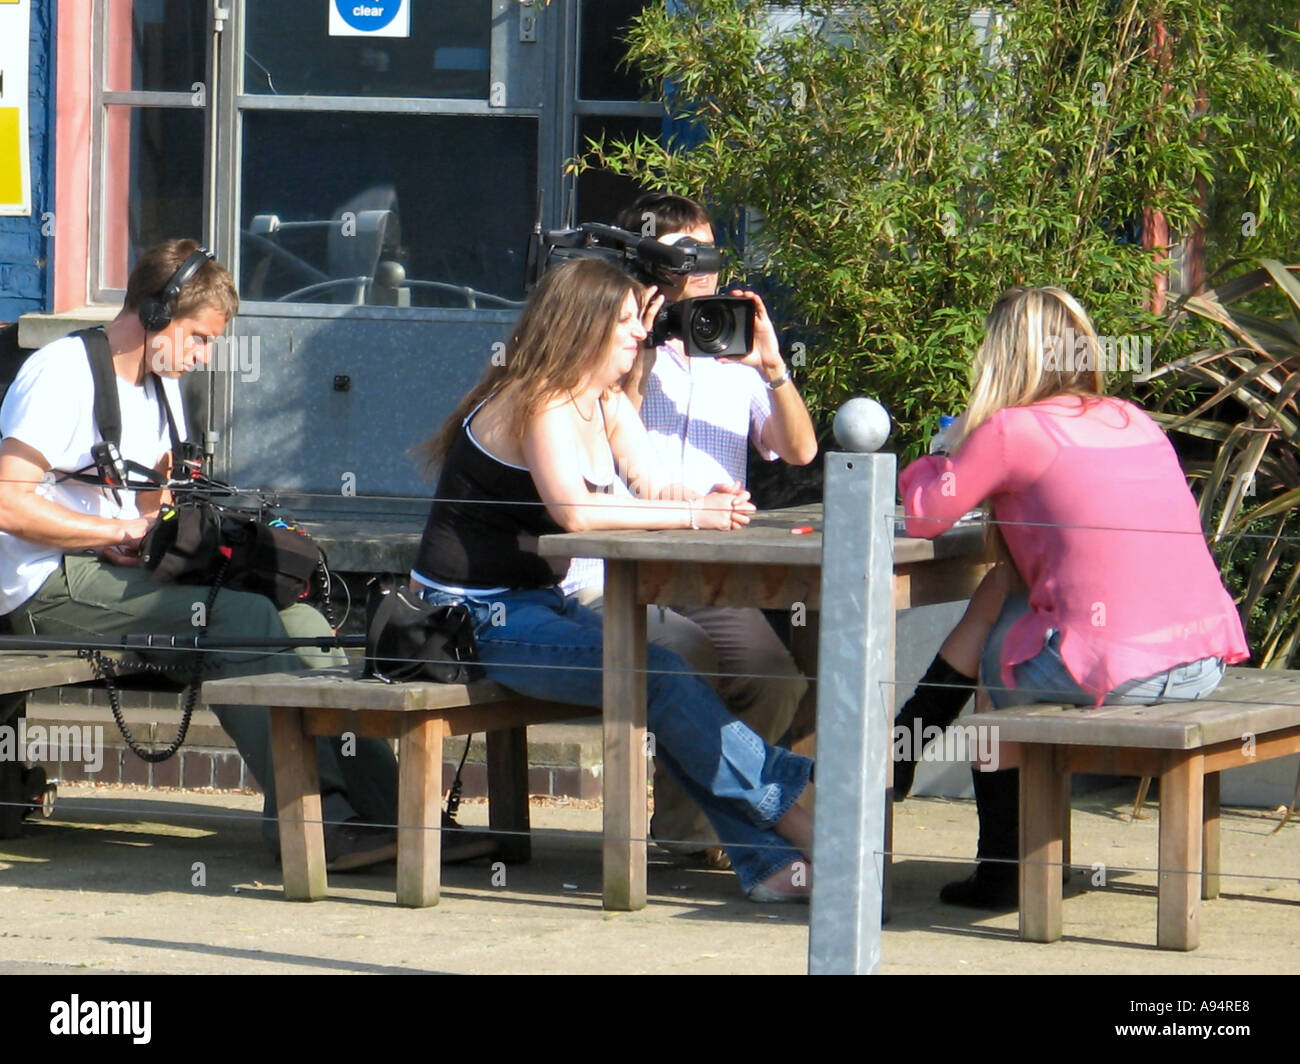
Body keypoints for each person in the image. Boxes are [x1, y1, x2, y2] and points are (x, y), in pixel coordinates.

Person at [410, 256, 815, 902]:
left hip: (540, 602)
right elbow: (573, 510)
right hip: (471, 619)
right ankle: (790, 815)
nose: (639, 334)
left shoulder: (603, 403)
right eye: (625, 321)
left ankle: (769, 856)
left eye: (638, 321)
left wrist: (711, 496)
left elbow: (653, 481)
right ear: (583, 325)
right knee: (657, 675)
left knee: (661, 676)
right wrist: (690, 515)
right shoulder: (536, 398)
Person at [0, 238, 400, 871]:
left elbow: (151, 505)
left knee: (301, 623)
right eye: (198, 338)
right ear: (157, 314)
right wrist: (114, 534)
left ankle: (401, 815)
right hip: (44, 583)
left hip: (116, 573)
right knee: (237, 624)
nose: (203, 356)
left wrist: (168, 531)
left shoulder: (162, 388)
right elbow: (8, 504)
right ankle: (316, 823)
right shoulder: (62, 374)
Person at [897, 286, 1249, 909]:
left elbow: (927, 514)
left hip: (1126, 672)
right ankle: (908, 741)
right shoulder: (1128, 416)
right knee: (1003, 591)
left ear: (1003, 355)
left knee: (997, 671)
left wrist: (944, 450)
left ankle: (1005, 867)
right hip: (1200, 664)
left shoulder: (1012, 430)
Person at [561, 193, 818, 867]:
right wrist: (645, 339)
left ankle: (684, 831)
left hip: (706, 571)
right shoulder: (612, 344)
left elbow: (799, 451)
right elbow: (617, 433)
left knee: (772, 674)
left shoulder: (731, 349)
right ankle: (712, 833)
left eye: (711, 254)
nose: (704, 273)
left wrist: (773, 369)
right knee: (685, 660)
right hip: (613, 566)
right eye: (687, 258)